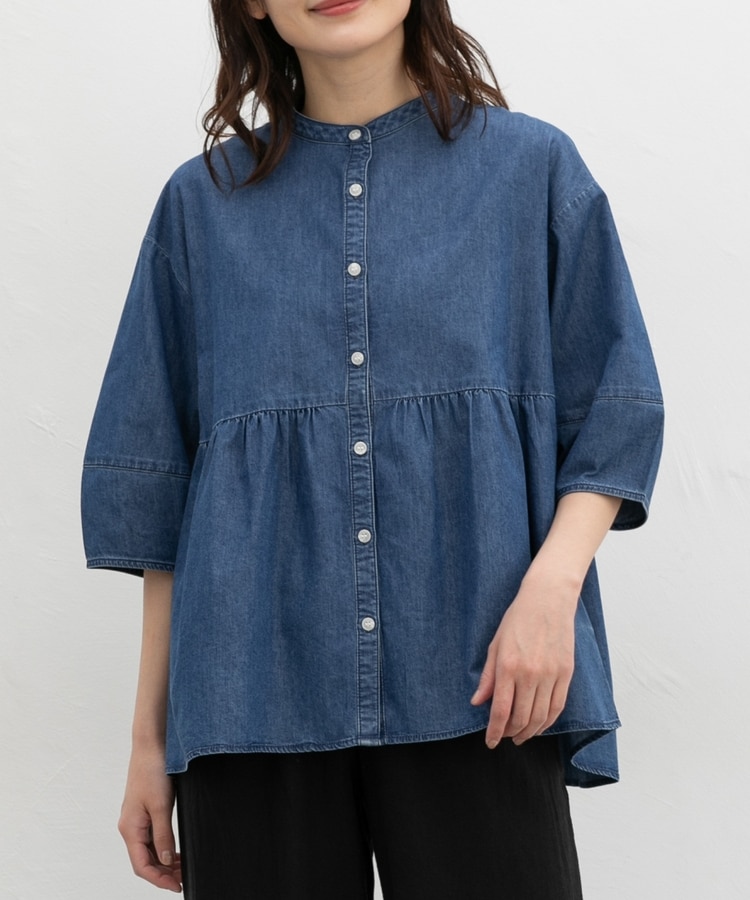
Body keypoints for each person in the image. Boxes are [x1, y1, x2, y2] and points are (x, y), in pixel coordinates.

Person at [81, 1, 664, 897]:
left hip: (484, 673)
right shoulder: (201, 205)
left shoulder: (531, 170)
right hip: (248, 693)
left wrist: (552, 596)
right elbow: (164, 495)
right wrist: (147, 743)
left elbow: (613, 408)